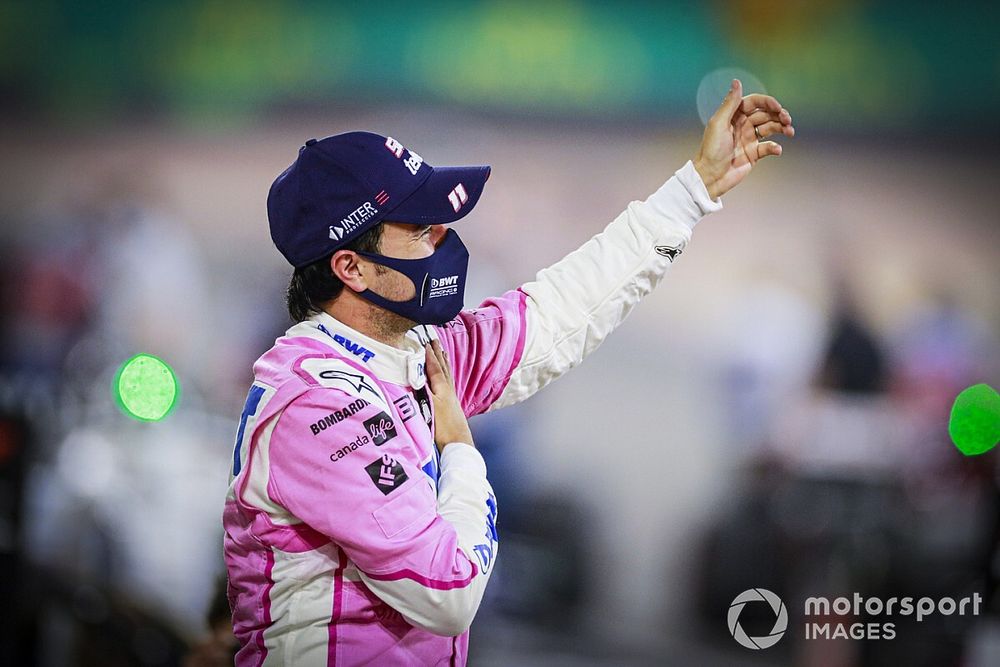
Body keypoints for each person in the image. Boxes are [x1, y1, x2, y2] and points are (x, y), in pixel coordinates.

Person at [223, 79, 794, 665]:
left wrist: (692, 190)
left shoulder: (416, 354)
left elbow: (558, 312)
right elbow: (448, 589)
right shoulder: (315, 402)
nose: (443, 240)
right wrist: (463, 453)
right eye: (421, 230)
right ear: (351, 267)